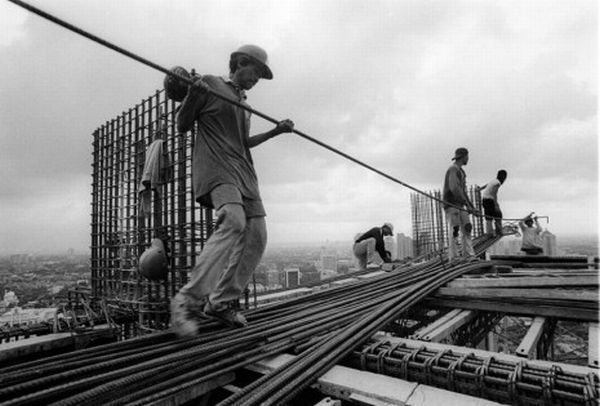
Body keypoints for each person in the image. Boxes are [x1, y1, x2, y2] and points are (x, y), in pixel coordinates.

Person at [170, 45, 294, 336]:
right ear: (240, 63)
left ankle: (221, 303)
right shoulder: (211, 84)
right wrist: (194, 96)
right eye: (256, 72)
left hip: (244, 172)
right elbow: (182, 123)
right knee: (234, 221)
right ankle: (187, 301)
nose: (257, 80)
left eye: (262, 76)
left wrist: (277, 131)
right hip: (217, 167)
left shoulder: (245, 105)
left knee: (257, 236)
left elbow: (244, 142)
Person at [442, 147, 480, 262]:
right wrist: (466, 204)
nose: (468, 159)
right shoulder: (453, 169)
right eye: (467, 156)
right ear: (463, 156)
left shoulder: (461, 171)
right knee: (455, 229)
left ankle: (469, 255)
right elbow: (454, 188)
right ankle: (454, 257)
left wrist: (471, 207)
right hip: (452, 204)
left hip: (460, 204)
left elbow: (462, 191)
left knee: (467, 227)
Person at [479, 169, 507, 235]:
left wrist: (481, 188)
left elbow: (488, 184)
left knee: (489, 217)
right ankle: (499, 231)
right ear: (502, 176)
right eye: (505, 177)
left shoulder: (494, 180)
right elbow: (494, 193)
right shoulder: (498, 183)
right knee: (498, 215)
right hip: (490, 200)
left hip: (484, 199)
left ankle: (489, 233)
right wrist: (496, 205)